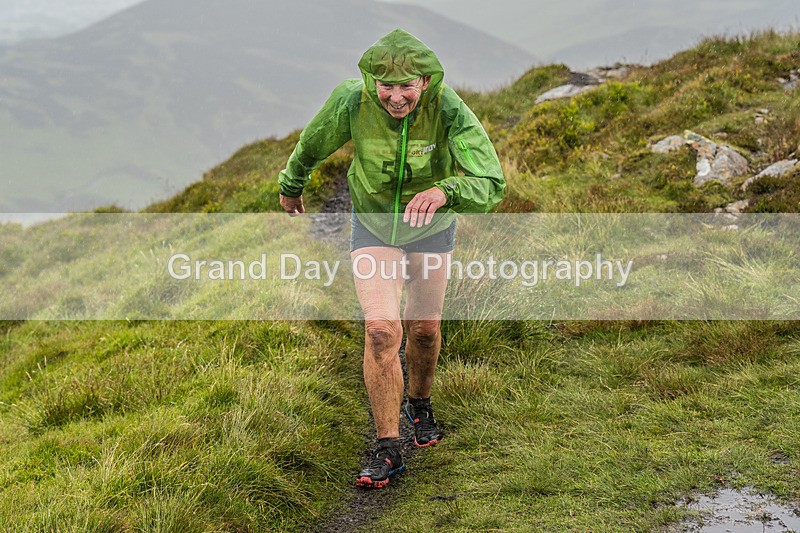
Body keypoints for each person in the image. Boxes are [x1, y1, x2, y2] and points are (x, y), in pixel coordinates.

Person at [277, 28, 505, 489]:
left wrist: (447, 190)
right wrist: (292, 183)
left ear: (425, 82)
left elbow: (491, 182)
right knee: (382, 331)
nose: (396, 97)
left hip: (432, 229)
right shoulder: (352, 101)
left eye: (407, 86)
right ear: (372, 81)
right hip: (375, 226)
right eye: (386, 85)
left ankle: (419, 404)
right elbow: (313, 142)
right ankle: (388, 448)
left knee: (424, 330)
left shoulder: (448, 108)